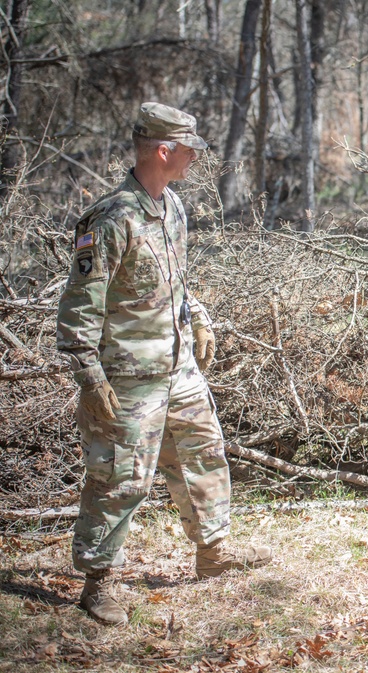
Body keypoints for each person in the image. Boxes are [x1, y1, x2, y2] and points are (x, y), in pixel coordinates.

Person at [57, 103, 272, 626]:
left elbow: (173, 281)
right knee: (120, 477)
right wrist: (89, 378)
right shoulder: (112, 219)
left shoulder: (171, 206)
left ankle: (212, 553)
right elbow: (80, 307)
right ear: (163, 150)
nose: (194, 159)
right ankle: (98, 580)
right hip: (127, 377)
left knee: (202, 450)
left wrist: (197, 316)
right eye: (189, 150)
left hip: (177, 368)